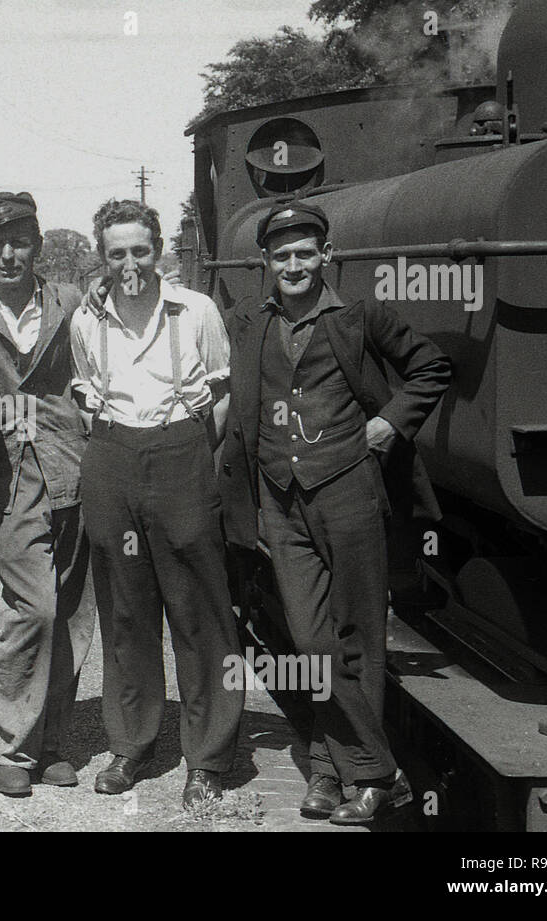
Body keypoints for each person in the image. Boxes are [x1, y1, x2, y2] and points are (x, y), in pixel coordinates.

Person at [219, 201, 451, 824]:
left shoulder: (359, 314)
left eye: (304, 253)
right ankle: (378, 773)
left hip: (349, 492)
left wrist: (389, 423)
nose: (293, 265)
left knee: (358, 638)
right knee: (311, 639)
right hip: (280, 500)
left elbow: (431, 366)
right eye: (280, 255)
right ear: (265, 262)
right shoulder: (247, 321)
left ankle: (330, 769)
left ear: (326, 256)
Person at [70, 198, 242, 810]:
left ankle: (209, 755)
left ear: (159, 248)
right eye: (116, 253)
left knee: (197, 608)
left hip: (181, 450)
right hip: (112, 452)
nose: (130, 263)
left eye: (140, 250)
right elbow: (86, 387)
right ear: (103, 257)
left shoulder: (196, 311)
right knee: (124, 608)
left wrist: (189, 452)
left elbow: (221, 391)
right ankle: (132, 745)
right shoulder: (87, 320)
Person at [0, 192, 96, 797]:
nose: (9, 255)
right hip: (6, 471)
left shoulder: (71, 301)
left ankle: (52, 744)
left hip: (72, 461)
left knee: (75, 612)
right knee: (35, 607)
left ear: (37, 245)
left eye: (21, 242)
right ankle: (10, 745)